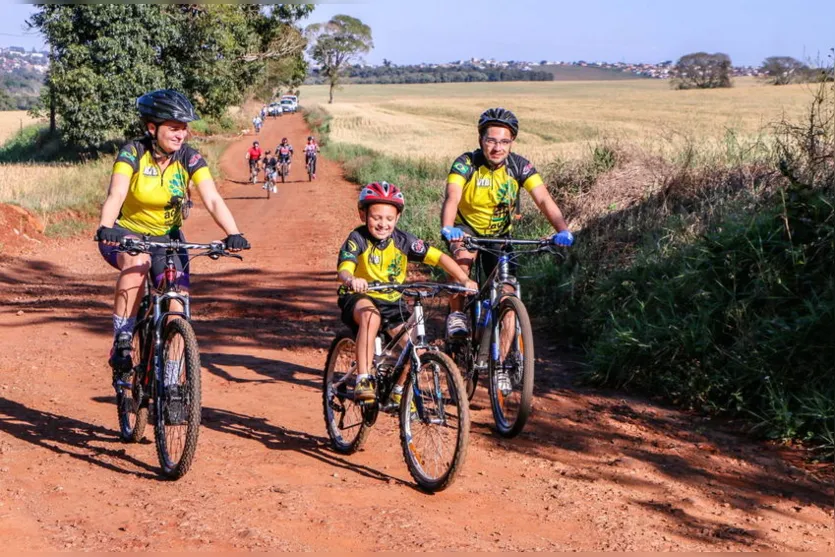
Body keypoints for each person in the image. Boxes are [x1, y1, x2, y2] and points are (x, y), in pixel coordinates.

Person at [96, 89, 250, 385]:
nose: (182, 135)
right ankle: (123, 340)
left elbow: (213, 199)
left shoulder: (189, 158)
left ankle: (170, 382)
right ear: (152, 127)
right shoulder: (133, 153)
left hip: (169, 239)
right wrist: (106, 226)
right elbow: (116, 193)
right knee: (138, 263)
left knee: (177, 307)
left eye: (184, 128)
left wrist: (233, 233)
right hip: (127, 233)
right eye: (174, 128)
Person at [337, 181, 477, 403]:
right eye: (376, 218)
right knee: (370, 316)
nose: (383, 224)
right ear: (363, 215)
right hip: (360, 297)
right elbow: (344, 268)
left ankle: (400, 391)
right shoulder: (358, 239)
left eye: (389, 219)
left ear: (397, 219)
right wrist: (352, 279)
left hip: (392, 303)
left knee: (415, 349)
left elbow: (439, 257)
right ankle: (364, 378)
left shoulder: (403, 240)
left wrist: (463, 279)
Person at [440, 107, 574, 338]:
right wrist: (448, 227)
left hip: (500, 234)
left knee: (508, 294)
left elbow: (543, 199)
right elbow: (453, 196)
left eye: (504, 141)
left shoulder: (520, 166)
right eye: (491, 140)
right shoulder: (466, 163)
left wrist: (563, 230)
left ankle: (503, 368)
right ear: (480, 139)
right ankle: (457, 313)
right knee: (461, 263)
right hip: (466, 229)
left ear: (512, 142)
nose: (497, 147)